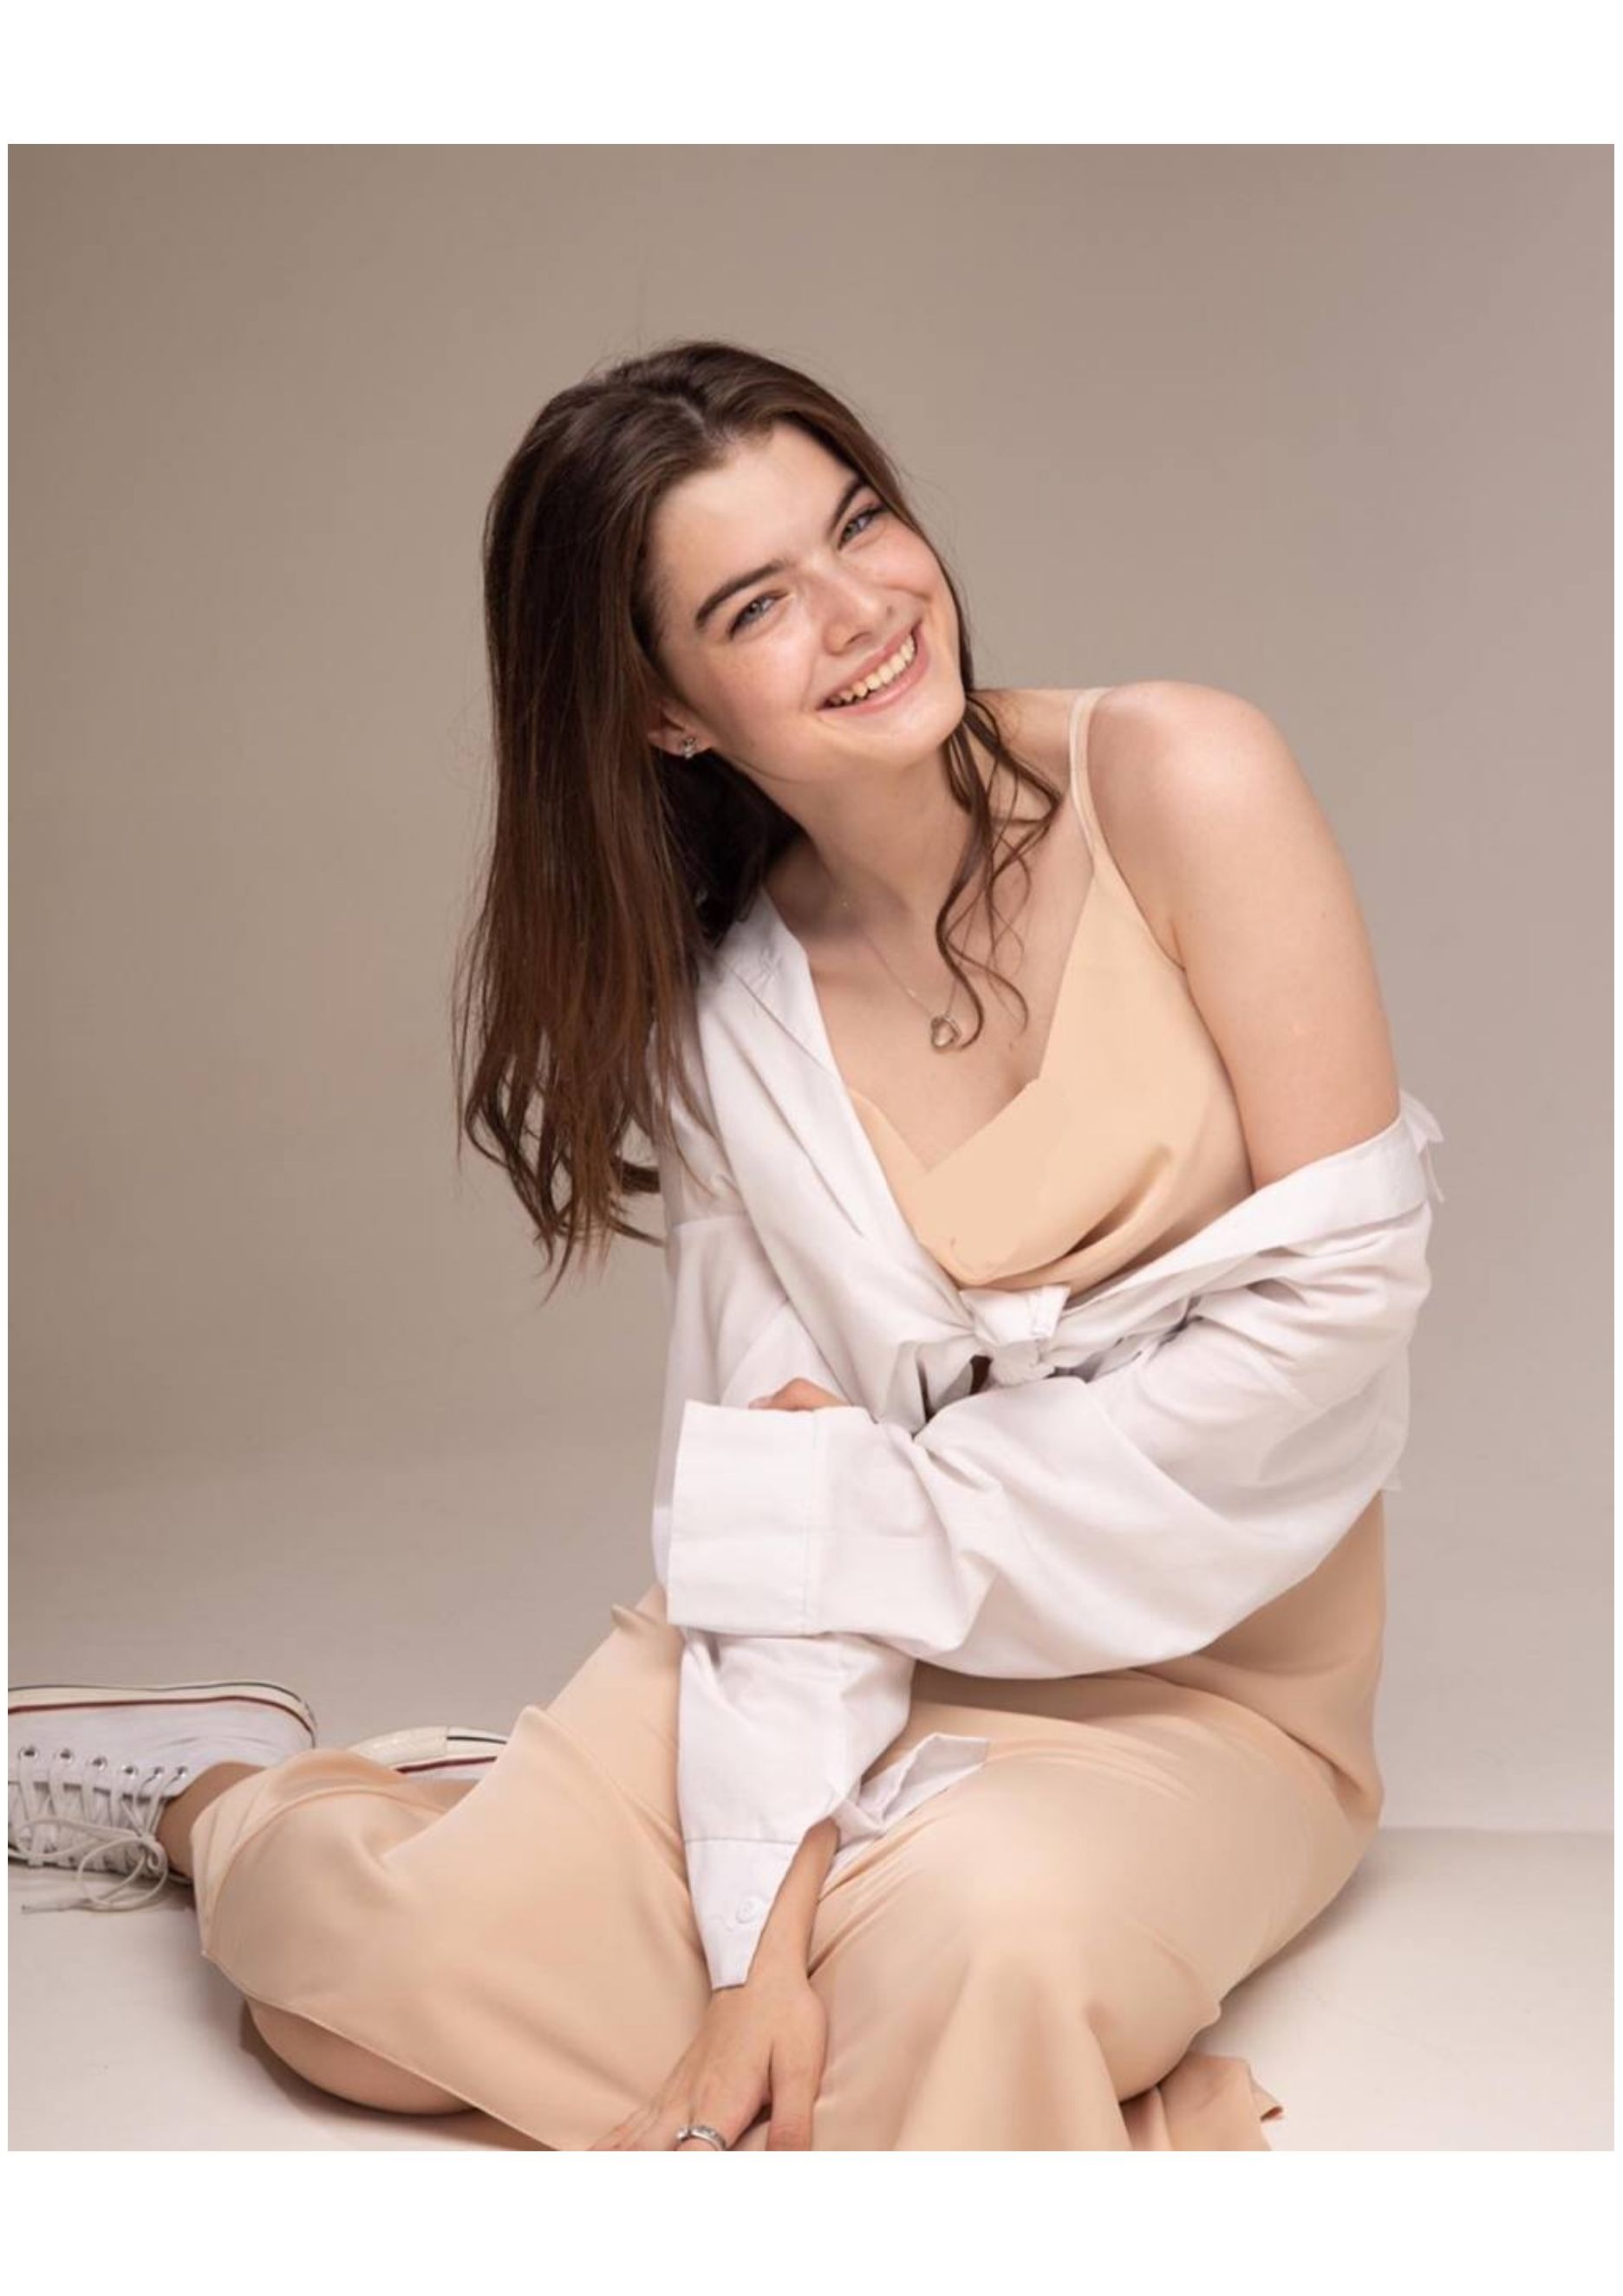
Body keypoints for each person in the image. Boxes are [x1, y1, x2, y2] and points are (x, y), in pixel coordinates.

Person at [8, 338, 1438, 2150]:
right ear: (667, 713)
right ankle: (213, 1792)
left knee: (987, 1955)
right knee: (365, 1987)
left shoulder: (1180, 778)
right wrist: (759, 1947)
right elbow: (774, 1507)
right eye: (758, 604)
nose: (864, 610)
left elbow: (1332, 1328)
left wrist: (864, 1504)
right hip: (852, 1647)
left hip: (1210, 1683)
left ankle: (567, 1819)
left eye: (861, 523)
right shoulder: (725, 1025)